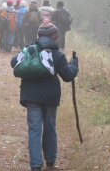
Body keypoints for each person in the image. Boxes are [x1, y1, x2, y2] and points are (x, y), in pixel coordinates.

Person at [11, 23, 78, 171]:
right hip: (50, 97)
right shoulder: (57, 55)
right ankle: (50, 160)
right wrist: (74, 64)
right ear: (55, 37)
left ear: (39, 35)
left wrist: (27, 54)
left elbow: (13, 63)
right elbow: (67, 76)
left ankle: (35, 165)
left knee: (34, 129)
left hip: (31, 97)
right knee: (50, 127)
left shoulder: (29, 50)